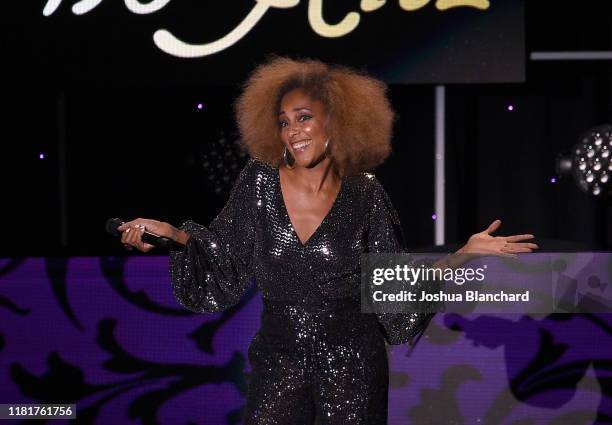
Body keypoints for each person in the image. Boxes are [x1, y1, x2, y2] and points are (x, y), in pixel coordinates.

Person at [117, 57, 537, 424]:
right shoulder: (259, 182)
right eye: (283, 121)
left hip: (354, 362)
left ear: (334, 122)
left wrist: (463, 254)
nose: (292, 131)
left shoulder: (365, 193)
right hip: (279, 359)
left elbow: (392, 283)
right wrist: (172, 234)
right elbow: (223, 255)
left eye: (303, 117)